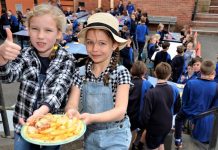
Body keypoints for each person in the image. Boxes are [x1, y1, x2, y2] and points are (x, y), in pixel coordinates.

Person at [0, 4, 75, 150]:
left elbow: (57, 90)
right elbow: (8, 76)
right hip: (24, 124)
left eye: (48, 30)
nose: (40, 36)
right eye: (35, 29)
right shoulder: (25, 54)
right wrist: (2, 59)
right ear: (28, 29)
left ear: (59, 33)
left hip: (52, 125)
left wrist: (41, 112)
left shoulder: (67, 59)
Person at [65, 12, 132, 149]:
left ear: (114, 45)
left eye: (102, 43)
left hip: (117, 135)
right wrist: (71, 110)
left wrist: (92, 118)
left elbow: (120, 111)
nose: (95, 49)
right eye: (90, 42)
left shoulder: (121, 73)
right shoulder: (80, 73)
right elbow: (72, 102)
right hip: (90, 135)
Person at [174, 60, 218, 148]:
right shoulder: (216, 86)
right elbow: (214, 106)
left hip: (189, 112)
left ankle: (178, 140)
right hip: (204, 114)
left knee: (178, 119)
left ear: (200, 71)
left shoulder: (190, 83)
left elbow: (185, 101)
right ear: (213, 72)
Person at [140, 62, 181, 150]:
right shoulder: (174, 89)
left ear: (155, 73)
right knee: (160, 143)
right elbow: (177, 108)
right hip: (167, 124)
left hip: (154, 127)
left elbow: (145, 115)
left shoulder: (151, 93)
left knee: (152, 147)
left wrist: (146, 126)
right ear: (169, 75)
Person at [127, 61, 153, 149]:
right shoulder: (147, 84)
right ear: (144, 72)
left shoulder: (127, 82)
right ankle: (135, 144)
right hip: (140, 117)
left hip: (127, 114)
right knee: (138, 132)